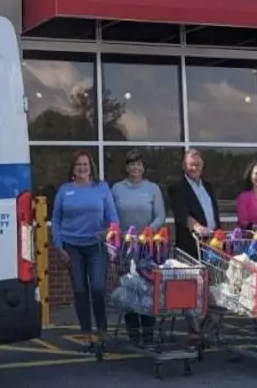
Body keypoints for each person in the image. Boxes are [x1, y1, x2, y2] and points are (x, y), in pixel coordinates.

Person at [51, 151, 119, 353]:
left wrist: (112, 231)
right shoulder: (64, 191)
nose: (82, 167)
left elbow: (113, 217)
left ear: (91, 167)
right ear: (73, 168)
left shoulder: (102, 188)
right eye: (78, 164)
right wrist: (59, 246)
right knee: (80, 291)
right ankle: (86, 334)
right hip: (72, 247)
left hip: (96, 246)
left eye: (85, 164)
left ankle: (102, 331)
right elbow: (56, 221)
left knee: (98, 289)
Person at [111, 150, 166, 345]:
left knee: (148, 290)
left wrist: (149, 231)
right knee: (129, 290)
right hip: (125, 247)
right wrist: (120, 234)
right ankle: (134, 334)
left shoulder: (152, 189)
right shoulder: (117, 189)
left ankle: (148, 334)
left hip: (147, 248)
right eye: (131, 164)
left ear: (143, 167)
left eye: (139, 164)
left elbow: (160, 215)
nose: (135, 168)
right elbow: (112, 215)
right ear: (126, 167)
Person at [168, 149, 220, 344]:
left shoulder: (209, 186)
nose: (195, 167)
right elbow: (182, 214)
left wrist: (219, 234)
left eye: (198, 164)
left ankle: (206, 331)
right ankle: (194, 334)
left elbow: (214, 214)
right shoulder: (176, 187)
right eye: (191, 164)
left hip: (212, 245)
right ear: (184, 166)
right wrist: (197, 227)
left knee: (215, 290)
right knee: (192, 291)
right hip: (191, 245)